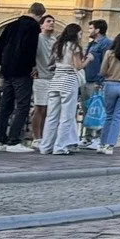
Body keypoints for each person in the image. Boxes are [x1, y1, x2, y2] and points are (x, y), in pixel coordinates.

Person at [0, 3, 46, 151]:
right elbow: (29, 49)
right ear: (40, 15)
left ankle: (0, 140)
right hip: (22, 71)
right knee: (23, 106)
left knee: (5, 106)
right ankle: (14, 141)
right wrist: (32, 66)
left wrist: (2, 64)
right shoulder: (32, 27)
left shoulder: (11, 25)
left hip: (7, 71)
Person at [39, 24, 85, 156]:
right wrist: (88, 60)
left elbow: (50, 65)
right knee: (67, 116)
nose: (81, 36)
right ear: (75, 34)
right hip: (68, 82)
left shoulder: (57, 45)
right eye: (80, 33)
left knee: (51, 116)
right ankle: (60, 146)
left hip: (55, 82)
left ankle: (46, 146)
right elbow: (78, 66)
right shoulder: (74, 46)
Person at [81, 19, 112, 148]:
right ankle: (87, 138)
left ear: (97, 30)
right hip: (87, 79)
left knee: (98, 110)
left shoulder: (107, 44)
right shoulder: (93, 43)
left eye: (91, 28)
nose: (89, 31)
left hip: (96, 81)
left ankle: (99, 138)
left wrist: (100, 81)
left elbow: (106, 63)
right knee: (87, 110)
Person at [29, 15, 57, 146]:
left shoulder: (54, 40)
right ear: (42, 25)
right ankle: (36, 137)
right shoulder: (37, 38)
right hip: (40, 77)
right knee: (39, 108)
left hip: (52, 77)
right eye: (48, 21)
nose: (51, 23)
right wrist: (33, 66)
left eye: (53, 22)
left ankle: (44, 136)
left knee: (48, 109)